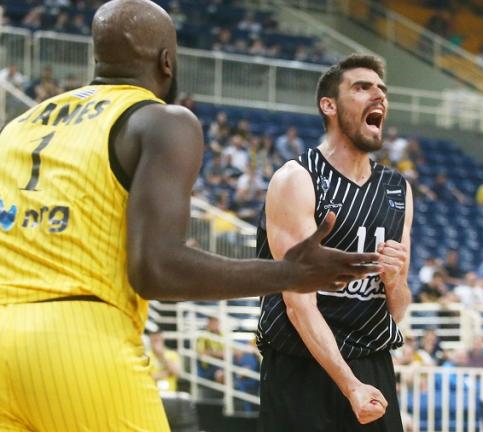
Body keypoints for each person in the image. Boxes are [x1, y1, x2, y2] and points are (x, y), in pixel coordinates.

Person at [0, 1, 381, 430]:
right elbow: (157, 271)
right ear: (167, 61)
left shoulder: (19, 125)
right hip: (77, 338)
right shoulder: (160, 120)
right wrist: (289, 273)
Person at [255, 54, 412, 431]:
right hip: (301, 369)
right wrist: (349, 386)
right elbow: (298, 306)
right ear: (329, 105)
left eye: (382, 89)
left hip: (372, 365)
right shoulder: (297, 179)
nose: (379, 96)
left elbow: (397, 309)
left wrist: (395, 282)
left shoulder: (397, 189)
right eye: (362, 87)